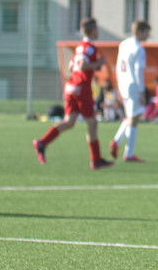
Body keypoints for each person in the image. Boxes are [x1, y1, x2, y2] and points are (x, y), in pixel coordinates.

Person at [32, 17, 113, 170]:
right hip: (81, 88)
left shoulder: (80, 46)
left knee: (69, 121)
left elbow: (71, 66)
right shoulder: (89, 47)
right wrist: (99, 63)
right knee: (92, 122)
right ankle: (96, 160)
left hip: (71, 86)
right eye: (97, 29)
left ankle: (42, 142)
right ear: (93, 30)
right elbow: (82, 66)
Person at [109, 20, 151, 162]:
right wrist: (142, 91)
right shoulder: (139, 48)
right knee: (135, 118)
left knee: (130, 116)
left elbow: (118, 65)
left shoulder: (124, 44)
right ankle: (128, 153)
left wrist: (119, 84)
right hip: (133, 85)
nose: (148, 35)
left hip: (123, 83)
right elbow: (138, 71)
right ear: (140, 32)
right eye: (146, 32)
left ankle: (117, 142)